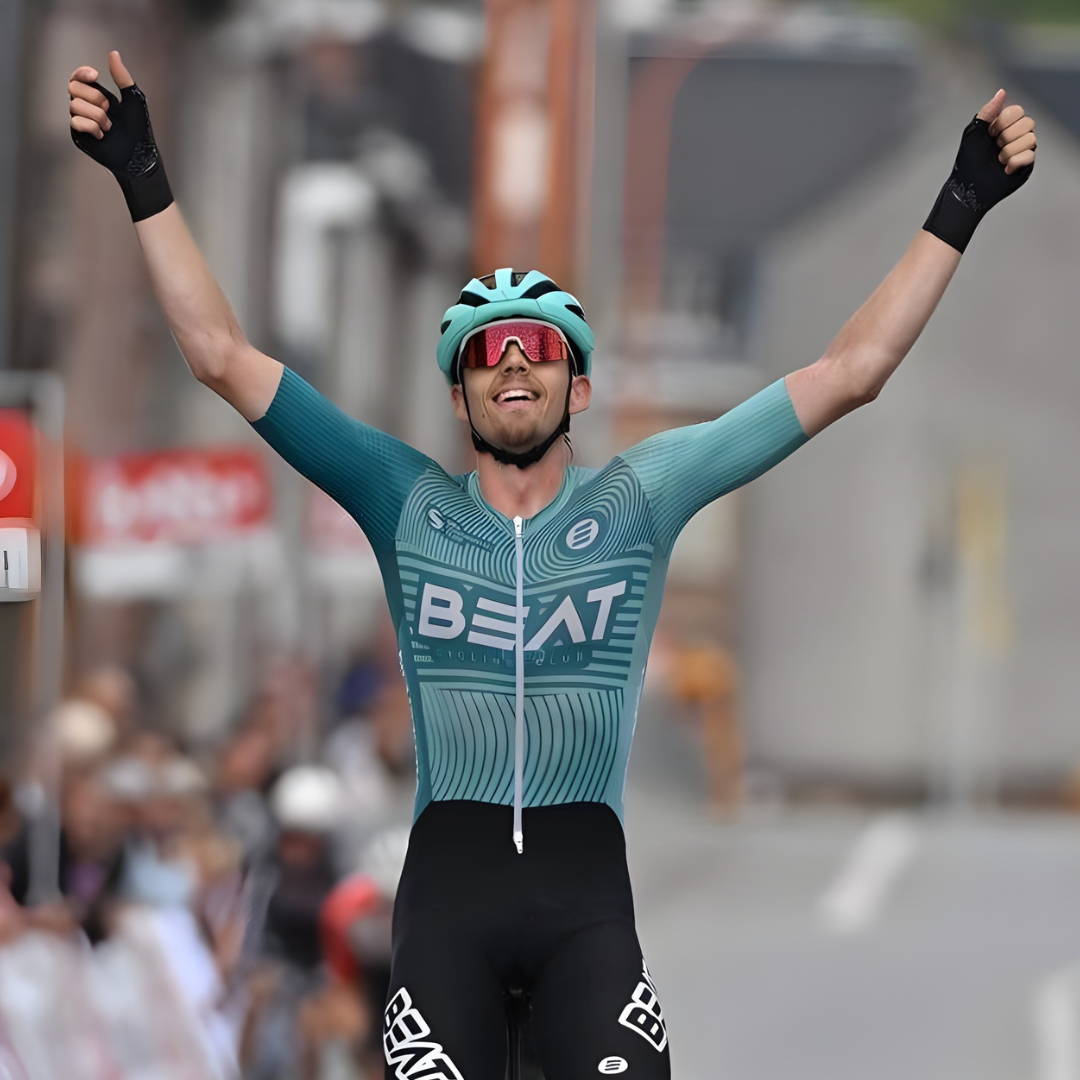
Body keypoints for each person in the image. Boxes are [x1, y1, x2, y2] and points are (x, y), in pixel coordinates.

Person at [69, 49, 1037, 1078]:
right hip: (447, 908)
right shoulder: (403, 499)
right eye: (486, 353)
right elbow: (220, 355)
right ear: (460, 398)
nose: (514, 362)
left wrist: (962, 200)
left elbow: (852, 372)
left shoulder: (642, 496)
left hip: (585, 908)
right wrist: (143, 176)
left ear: (578, 390)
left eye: (539, 347)